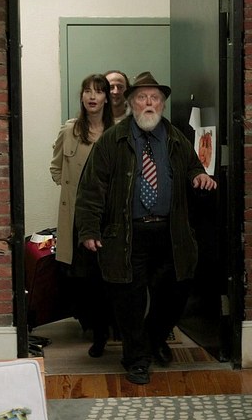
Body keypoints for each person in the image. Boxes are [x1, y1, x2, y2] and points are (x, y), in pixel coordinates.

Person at [74, 71, 217, 385]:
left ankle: (154, 339)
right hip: (127, 234)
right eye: (142, 97)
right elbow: (92, 188)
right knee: (129, 301)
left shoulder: (176, 137)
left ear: (162, 104)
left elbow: (193, 166)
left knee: (176, 291)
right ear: (130, 103)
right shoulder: (113, 139)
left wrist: (198, 176)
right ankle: (137, 359)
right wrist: (89, 230)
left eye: (155, 98)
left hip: (170, 233)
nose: (149, 103)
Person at [49, 73, 114, 358]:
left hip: (108, 218)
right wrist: (70, 190)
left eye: (98, 91)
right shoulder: (70, 130)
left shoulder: (117, 132)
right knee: (82, 279)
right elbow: (56, 167)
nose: (92, 96)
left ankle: (108, 329)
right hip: (76, 217)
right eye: (87, 91)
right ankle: (96, 331)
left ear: (106, 98)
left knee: (108, 277)